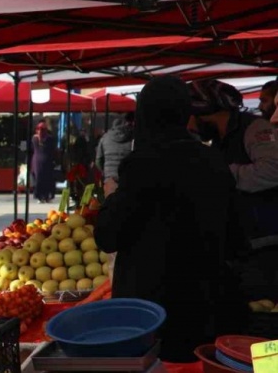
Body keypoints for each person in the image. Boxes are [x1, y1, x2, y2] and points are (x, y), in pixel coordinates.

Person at [95, 76, 247, 363]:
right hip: (205, 312)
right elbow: (237, 239)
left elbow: (107, 235)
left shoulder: (141, 165)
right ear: (184, 112)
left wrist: (113, 195)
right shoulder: (213, 161)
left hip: (150, 319)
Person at [187, 79, 278, 299]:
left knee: (263, 307)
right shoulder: (220, 138)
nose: (191, 128)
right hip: (241, 244)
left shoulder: (255, 128)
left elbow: (272, 171)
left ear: (206, 112)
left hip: (266, 244)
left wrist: (220, 174)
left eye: (193, 120)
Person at [95, 112, 135, 181]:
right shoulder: (132, 138)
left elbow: (98, 161)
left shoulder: (105, 138)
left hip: (109, 179)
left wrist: (105, 172)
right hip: (127, 178)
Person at [30, 121, 57, 203]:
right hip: (47, 160)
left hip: (37, 161)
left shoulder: (34, 139)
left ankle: (39, 196)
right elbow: (53, 150)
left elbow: (31, 150)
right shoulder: (50, 139)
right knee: (47, 179)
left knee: (39, 179)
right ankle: (47, 196)